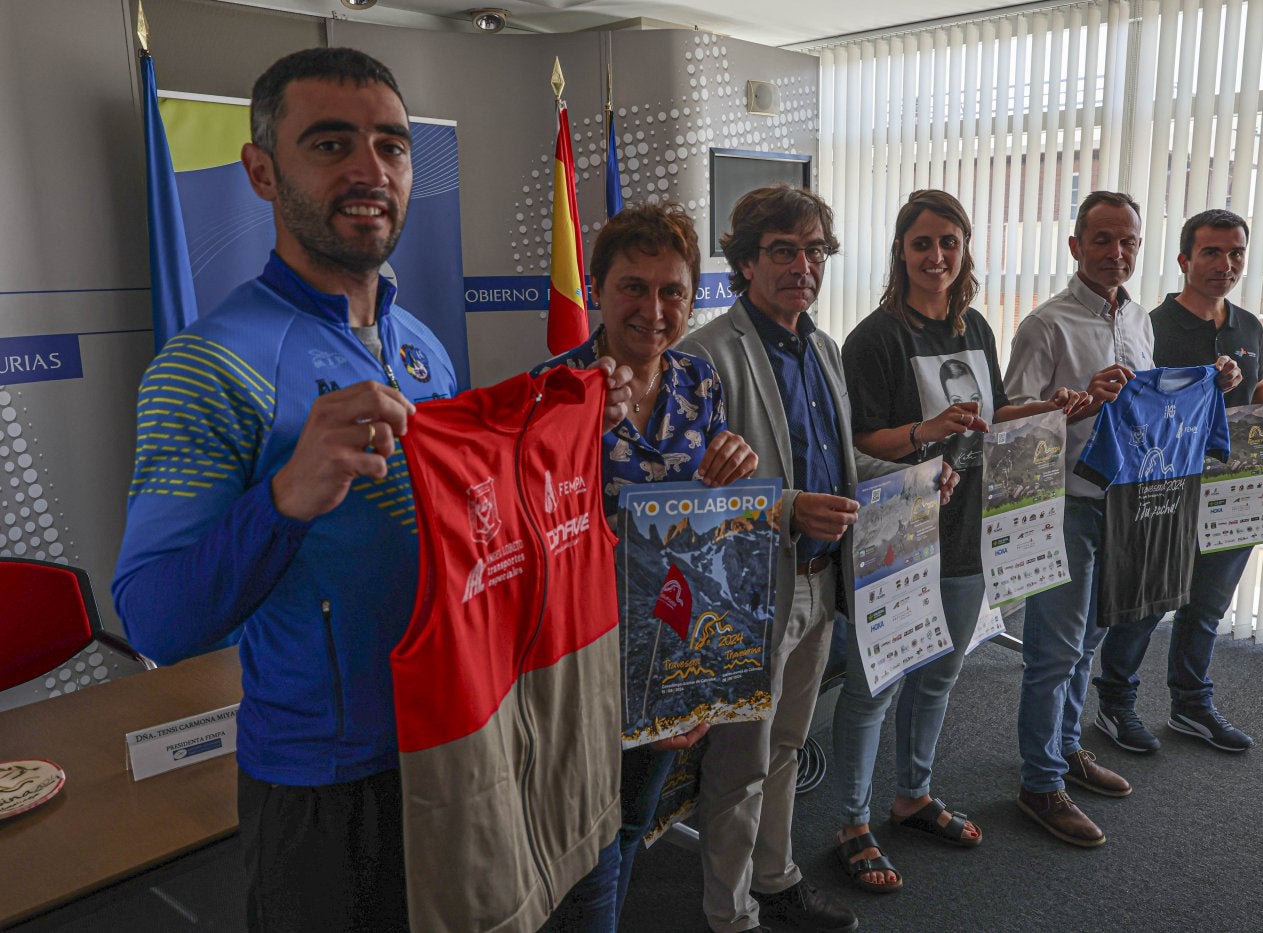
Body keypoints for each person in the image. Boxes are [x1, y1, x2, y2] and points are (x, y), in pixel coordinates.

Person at [111, 48, 629, 931]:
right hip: (326, 788)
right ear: (261, 171)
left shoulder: (420, 342)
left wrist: (561, 448)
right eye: (330, 144)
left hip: (464, 741)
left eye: (391, 145)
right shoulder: (207, 366)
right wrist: (284, 498)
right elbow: (156, 620)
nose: (369, 170)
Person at [832, 189, 1088, 890]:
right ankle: (851, 822)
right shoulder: (875, 338)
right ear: (901, 251)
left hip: (968, 528)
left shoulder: (972, 324)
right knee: (875, 685)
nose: (936, 255)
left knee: (940, 673)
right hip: (897, 534)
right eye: (922, 243)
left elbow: (992, 418)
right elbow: (856, 443)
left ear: (965, 249)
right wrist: (926, 431)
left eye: (949, 241)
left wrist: (1050, 408)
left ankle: (912, 795)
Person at [678, 185, 907, 933]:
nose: (802, 266)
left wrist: (912, 477)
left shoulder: (823, 349)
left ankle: (774, 879)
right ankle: (729, 912)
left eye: (814, 251)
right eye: (783, 251)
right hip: (749, 595)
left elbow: (840, 467)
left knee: (785, 747)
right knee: (738, 764)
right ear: (745, 262)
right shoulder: (703, 356)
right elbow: (683, 500)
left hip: (821, 583)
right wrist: (784, 510)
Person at [533, 202, 757, 930]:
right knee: (581, 844)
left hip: (670, 642)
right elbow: (525, 531)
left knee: (633, 821)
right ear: (598, 288)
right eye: (633, 287)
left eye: (672, 292)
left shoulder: (700, 382)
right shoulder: (553, 389)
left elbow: (712, 524)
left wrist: (736, 462)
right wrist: (571, 435)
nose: (653, 310)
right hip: (583, 656)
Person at [1004, 191, 1241, 848]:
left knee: (1088, 641)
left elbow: (1145, 405)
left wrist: (1210, 381)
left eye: (1128, 241)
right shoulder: (1044, 325)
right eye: (1102, 239)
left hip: (1127, 504)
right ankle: (1039, 782)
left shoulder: (1138, 319)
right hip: (1064, 503)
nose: (1116, 252)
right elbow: (1010, 423)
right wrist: (1077, 406)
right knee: (1054, 652)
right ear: (1076, 246)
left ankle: (1064, 747)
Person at [1093, 209, 1263, 754]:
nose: (1225, 264)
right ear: (1185, 259)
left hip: (1236, 489)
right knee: (1148, 603)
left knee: (1207, 607)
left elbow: (1258, 385)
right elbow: (1134, 410)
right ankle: (1115, 703)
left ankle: (1191, 704)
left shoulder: (1247, 325)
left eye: (1235, 253)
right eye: (1211, 252)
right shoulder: (1152, 327)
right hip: (1167, 489)